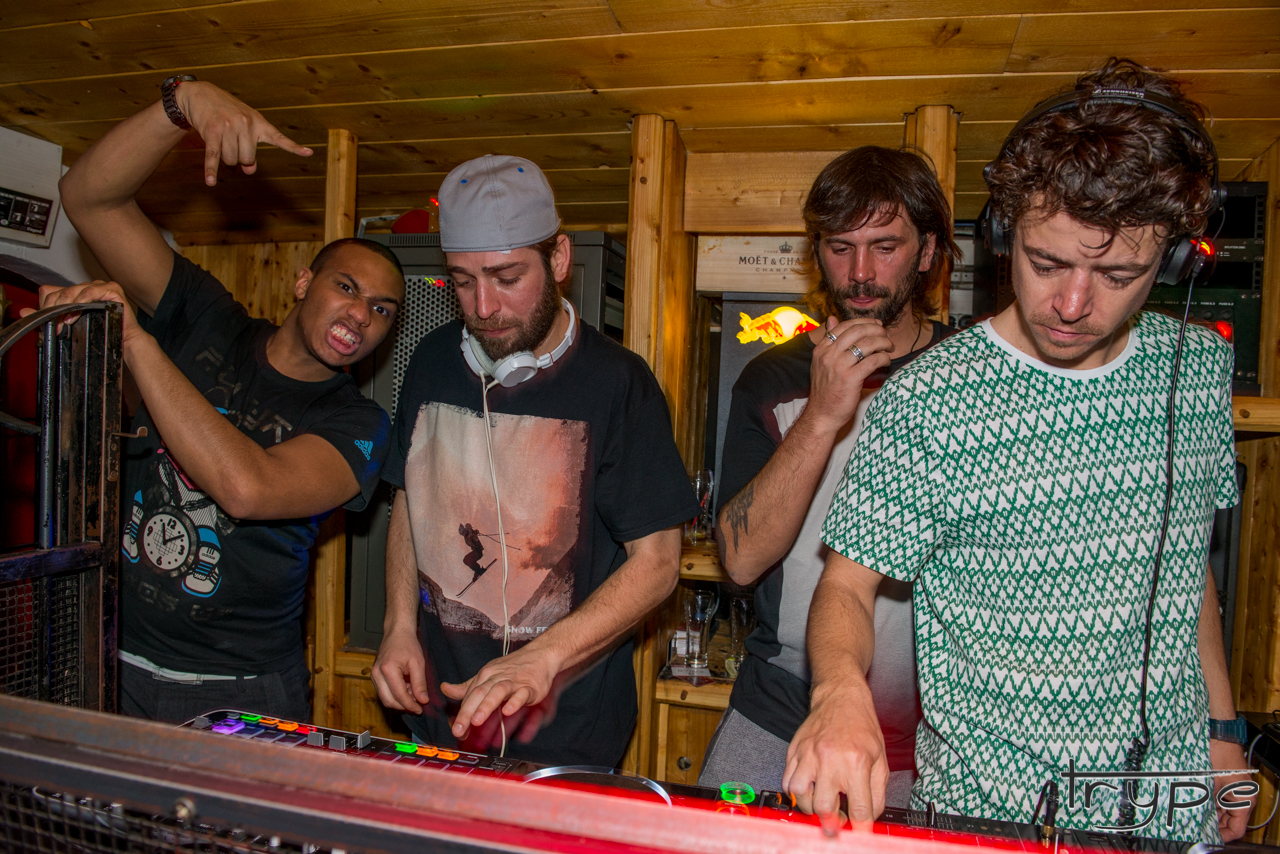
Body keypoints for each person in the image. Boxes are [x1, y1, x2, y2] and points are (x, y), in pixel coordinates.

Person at [784, 59, 1256, 844]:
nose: (1072, 303)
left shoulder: (1197, 367)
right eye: (1047, 263)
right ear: (1006, 238)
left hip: (1168, 805)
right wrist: (838, 692)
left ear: (1174, 259)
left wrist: (1223, 729)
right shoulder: (926, 399)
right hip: (990, 815)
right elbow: (845, 589)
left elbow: (1185, 567)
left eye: (1119, 273)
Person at [42, 77, 405, 723]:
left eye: (382, 309)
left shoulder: (358, 422)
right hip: (111, 658)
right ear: (304, 281)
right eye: (347, 287)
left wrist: (135, 341)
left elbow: (247, 489)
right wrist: (180, 104)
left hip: (236, 689)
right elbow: (87, 198)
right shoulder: (206, 316)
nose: (361, 314)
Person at [371, 155, 697, 765]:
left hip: (570, 734)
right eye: (463, 281)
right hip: (437, 720)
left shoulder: (619, 383)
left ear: (560, 259)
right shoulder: (431, 361)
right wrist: (398, 626)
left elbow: (657, 564)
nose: (483, 306)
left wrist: (542, 657)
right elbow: (410, 499)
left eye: (506, 277)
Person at [698, 147, 959, 805]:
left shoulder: (969, 376)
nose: (861, 272)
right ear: (817, 253)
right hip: (779, 710)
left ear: (927, 251)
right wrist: (820, 415)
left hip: (939, 736)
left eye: (885, 247)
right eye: (841, 247)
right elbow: (740, 562)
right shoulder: (772, 379)